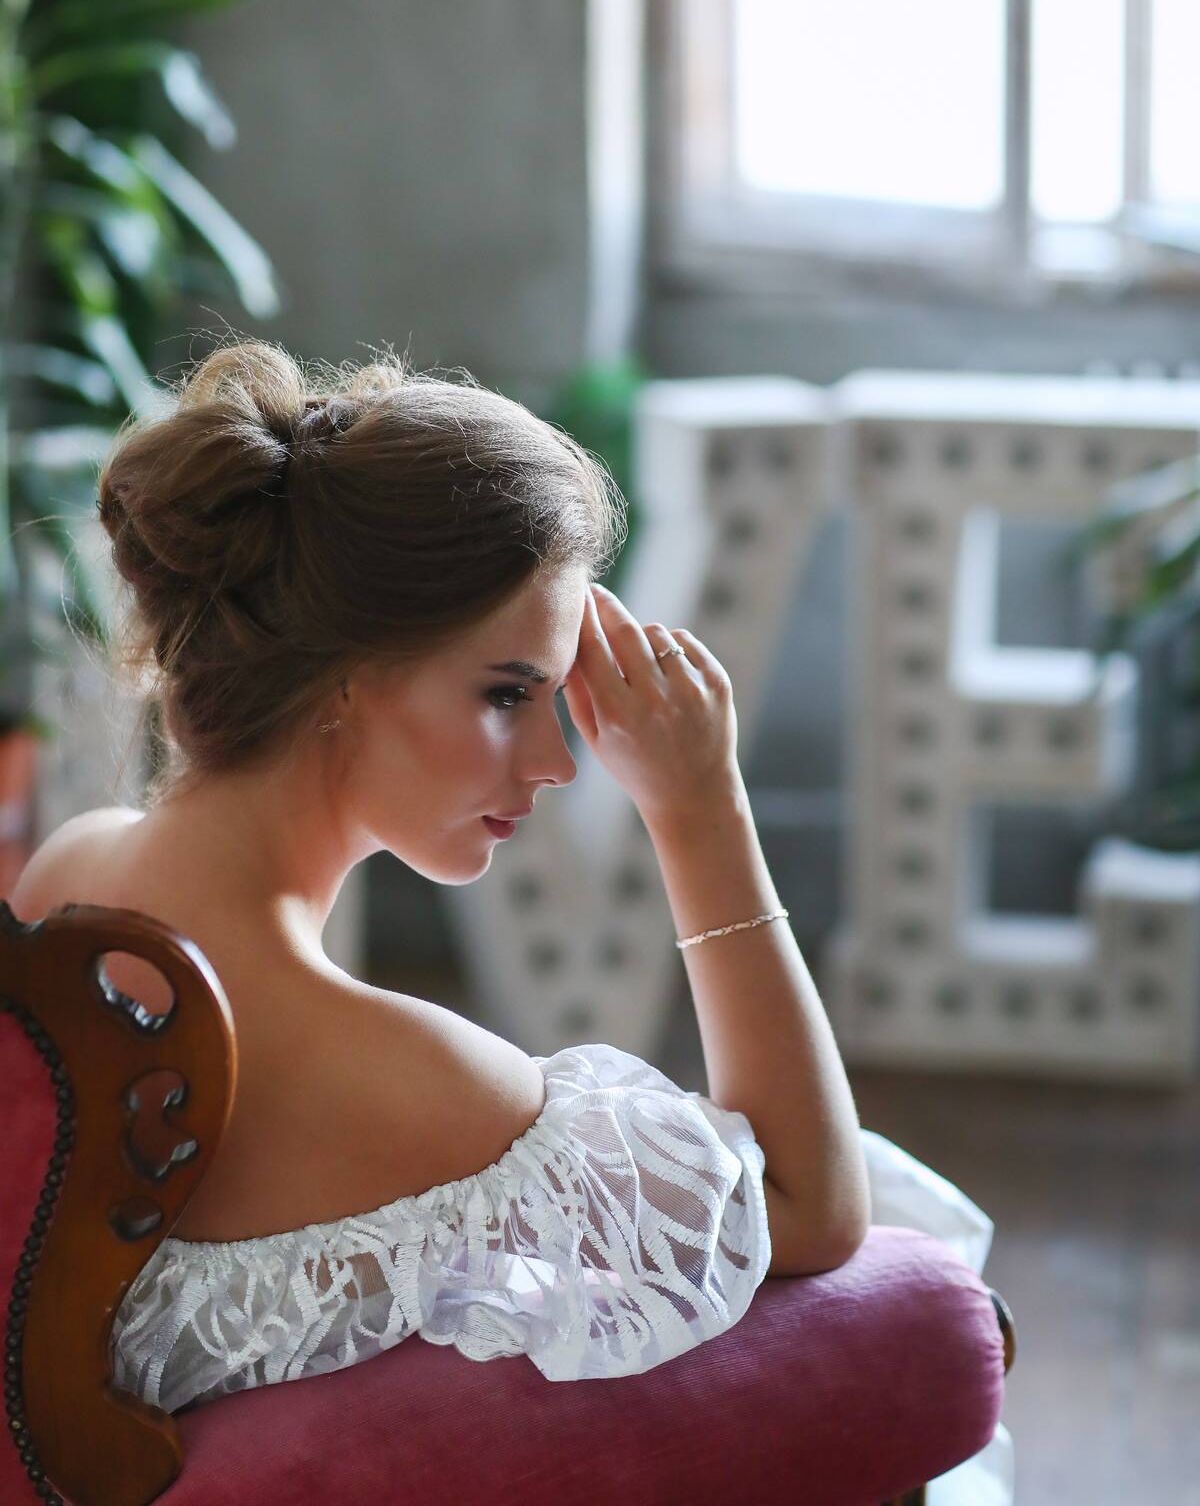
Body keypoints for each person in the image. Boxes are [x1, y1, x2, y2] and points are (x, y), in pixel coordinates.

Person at [9, 338, 1011, 1500]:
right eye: (505, 695)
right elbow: (813, 1211)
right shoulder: (395, 1072)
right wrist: (700, 809)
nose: (556, 762)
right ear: (345, 677)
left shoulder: (72, 876)